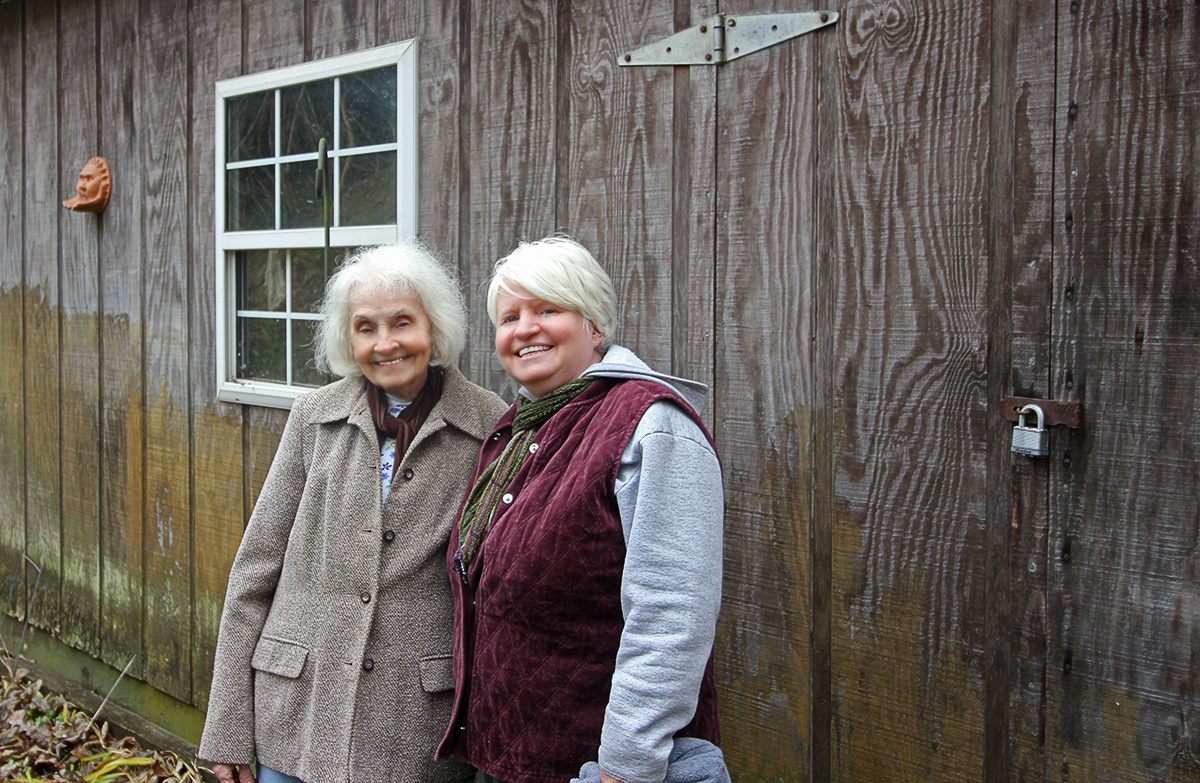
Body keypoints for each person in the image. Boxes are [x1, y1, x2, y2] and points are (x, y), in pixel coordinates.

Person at [199, 242, 507, 783]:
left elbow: (497, 589)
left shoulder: (490, 427)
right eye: (365, 327)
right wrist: (226, 727)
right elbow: (254, 573)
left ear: (433, 328)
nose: (385, 344)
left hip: (414, 729)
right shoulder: (313, 417)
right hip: (296, 716)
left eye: (402, 323)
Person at [436, 236, 726, 783]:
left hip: (601, 767)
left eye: (548, 308)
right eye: (509, 317)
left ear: (594, 325)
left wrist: (626, 765)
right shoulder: (521, 428)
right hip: (509, 756)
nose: (524, 329)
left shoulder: (653, 425)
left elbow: (672, 614)